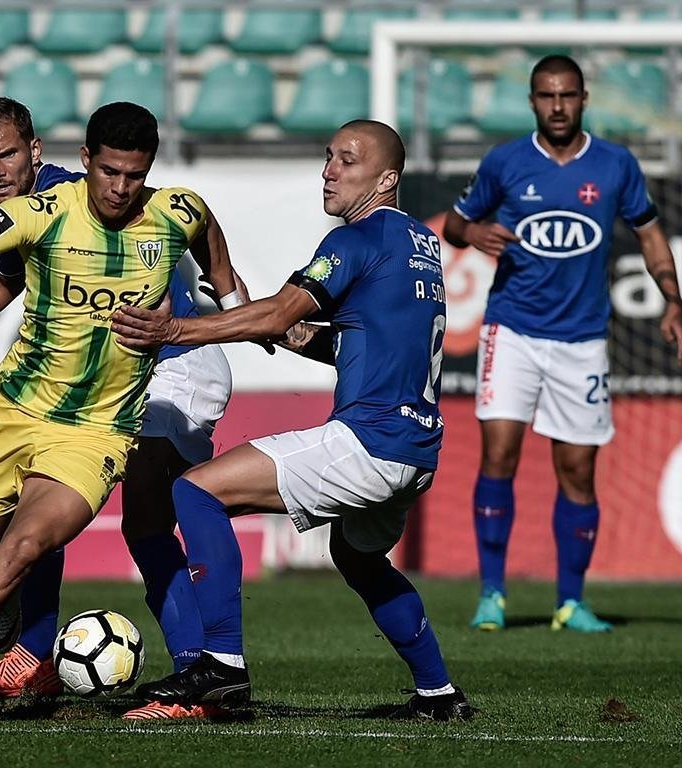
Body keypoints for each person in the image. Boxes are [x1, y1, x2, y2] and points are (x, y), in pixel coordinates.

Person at [0, 101, 239, 724]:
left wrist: (240, 308)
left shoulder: (89, 193)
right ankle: (31, 645)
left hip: (168, 367)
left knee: (110, 527)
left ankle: (199, 673)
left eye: (8, 155)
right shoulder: (38, 213)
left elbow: (194, 222)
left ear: (36, 150)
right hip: (33, 405)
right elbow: (2, 281)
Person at [113, 120, 472, 721]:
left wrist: (175, 328)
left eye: (348, 161)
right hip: (416, 446)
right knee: (358, 558)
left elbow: (281, 310)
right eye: (328, 157)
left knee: (195, 493)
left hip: (369, 440)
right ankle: (438, 694)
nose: (330, 170)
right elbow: (345, 341)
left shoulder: (354, 239)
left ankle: (221, 666)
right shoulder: (420, 245)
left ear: (387, 178)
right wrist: (280, 329)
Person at [442, 55, 682, 633]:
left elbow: (650, 236)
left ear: (583, 98)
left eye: (567, 95)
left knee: (577, 469)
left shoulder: (616, 165)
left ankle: (570, 601)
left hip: (581, 340)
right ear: (531, 101)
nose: (557, 106)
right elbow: (453, 225)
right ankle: (492, 596)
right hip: (512, 330)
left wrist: (673, 298)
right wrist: (473, 231)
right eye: (547, 96)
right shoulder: (505, 162)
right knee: (499, 454)